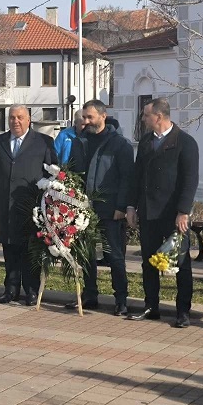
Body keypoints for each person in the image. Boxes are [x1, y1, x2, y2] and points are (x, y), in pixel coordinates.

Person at [127, 98, 199, 328]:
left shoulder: (185, 142)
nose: (143, 119)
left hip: (173, 215)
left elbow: (190, 180)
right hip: (148, 212)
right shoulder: (147, 142)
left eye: (146, 115)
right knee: (149, 262)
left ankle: (183, 311)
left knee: (180, 263)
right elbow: (136, 177)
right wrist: (131, 206)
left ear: (158, 117)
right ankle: (152, 306)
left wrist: (183, 211)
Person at [0, 105, 57, 305]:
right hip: (7, 206)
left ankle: (31, 290)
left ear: (28, 120)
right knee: (10, 249)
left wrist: (50, 207)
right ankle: (11, 289)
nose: (15, 121)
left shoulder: (43, 142)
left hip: (32, 208)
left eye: (20, 117)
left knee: (30, 250)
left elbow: (53, 174)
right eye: (12, 118)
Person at [69, 100, 134, 315]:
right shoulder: (80, 141)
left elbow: (127, 178)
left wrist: (121, 206)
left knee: (114, 255)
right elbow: (72, 172)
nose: (85, 121)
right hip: (83, 208)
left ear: (103, 116)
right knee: (85, 254)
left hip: (110, 208)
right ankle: (90, 295)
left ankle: (121, 299)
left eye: (90, 117)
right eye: (84, 118)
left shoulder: (119, 144)